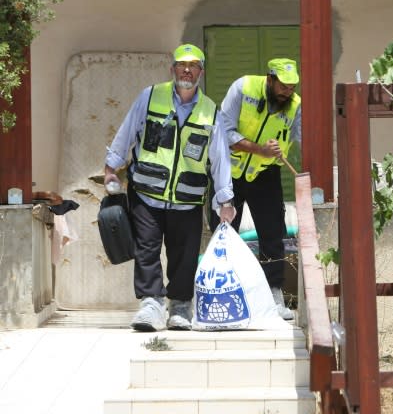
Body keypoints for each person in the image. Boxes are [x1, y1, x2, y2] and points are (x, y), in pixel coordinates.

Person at [104, 44, 236, 332]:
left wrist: (225, 199)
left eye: (193, 65)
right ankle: (151, 304)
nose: (186, 70)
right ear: (172, 69)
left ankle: (179, 306)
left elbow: (220, 159)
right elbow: (127, 131)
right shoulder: (150, 97)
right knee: (146, 250)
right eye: (181, 64)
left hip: (187, 199)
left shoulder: (210, 111)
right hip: (146, 193)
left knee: (184, 255)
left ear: (201, 72)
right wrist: (111, 167)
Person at [219, 57, 301, 320]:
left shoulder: (295, 105)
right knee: (224, 235)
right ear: (270, 79)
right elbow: (224, 131)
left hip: (265, 175)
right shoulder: (243, 88)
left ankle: (274, 294)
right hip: (230, 174)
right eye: (284, 86)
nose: (288, 91)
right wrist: (260, 149)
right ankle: (226, 295)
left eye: (292, 86)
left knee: (273, 234)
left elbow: (305, 137)